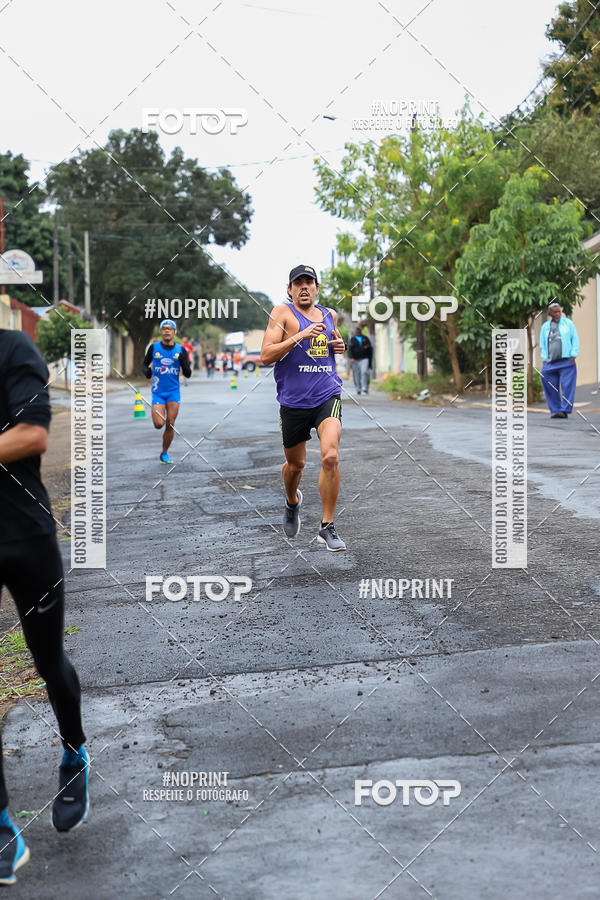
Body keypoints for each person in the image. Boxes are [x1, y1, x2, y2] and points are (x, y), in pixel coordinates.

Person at [0, 329, 88, 884]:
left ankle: (74, 753)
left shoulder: (15, 351)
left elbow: (32, 435)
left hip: (25, 538)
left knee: (47, 660)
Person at [260, 264, 347, 551]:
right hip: (293, 402)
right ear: (290, 289)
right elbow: (265, 355)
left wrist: (339, 346)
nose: (304, 287)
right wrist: (300, 335)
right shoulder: (281, 313)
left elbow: (331, 345)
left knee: (330, 456)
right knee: (295, 465)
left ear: (317, 288)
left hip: (327, 395)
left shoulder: (329, 315)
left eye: (309, 282)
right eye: (298, 283)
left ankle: (327, 526)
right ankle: (292, 500)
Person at [142, 319, 191, 463]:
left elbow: (187, 373)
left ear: (174, 332)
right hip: (158, 392)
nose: (167, 331)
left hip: (173, 392)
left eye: (170, 329)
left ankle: (164, 453)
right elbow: (144, 365)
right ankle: (164, 450)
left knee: (170, 422)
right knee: (158, 424)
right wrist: (147, 372)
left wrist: (184, 363)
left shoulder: (181, 350)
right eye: (164, 329)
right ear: (161, 332)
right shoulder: (154, 347)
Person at [539, 302, 579, 418]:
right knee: (548, 382)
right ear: (550, 313)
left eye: (559, 311)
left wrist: (573, 355)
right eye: (555, 312)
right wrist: (544, 359)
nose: (558, 314)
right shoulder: (545, 327)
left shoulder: (568, 324)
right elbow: (542, 343)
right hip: (550, 362)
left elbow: (575, 339)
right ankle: (555, 409)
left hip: (566, 361)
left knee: (567, 386)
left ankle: (564, 410)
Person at [349, 327, 372, 395]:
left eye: (358, 331)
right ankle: (358, 389)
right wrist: (351, 357)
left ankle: (365, 388)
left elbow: (370, 347)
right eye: (356, 331)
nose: (357, 332)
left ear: (360, 331)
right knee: (356, 374)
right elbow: (350, 349)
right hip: (355, 359)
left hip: (364, 358)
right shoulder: (353, 339)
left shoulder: (365, 338)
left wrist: (367, 347)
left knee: (365, 372)